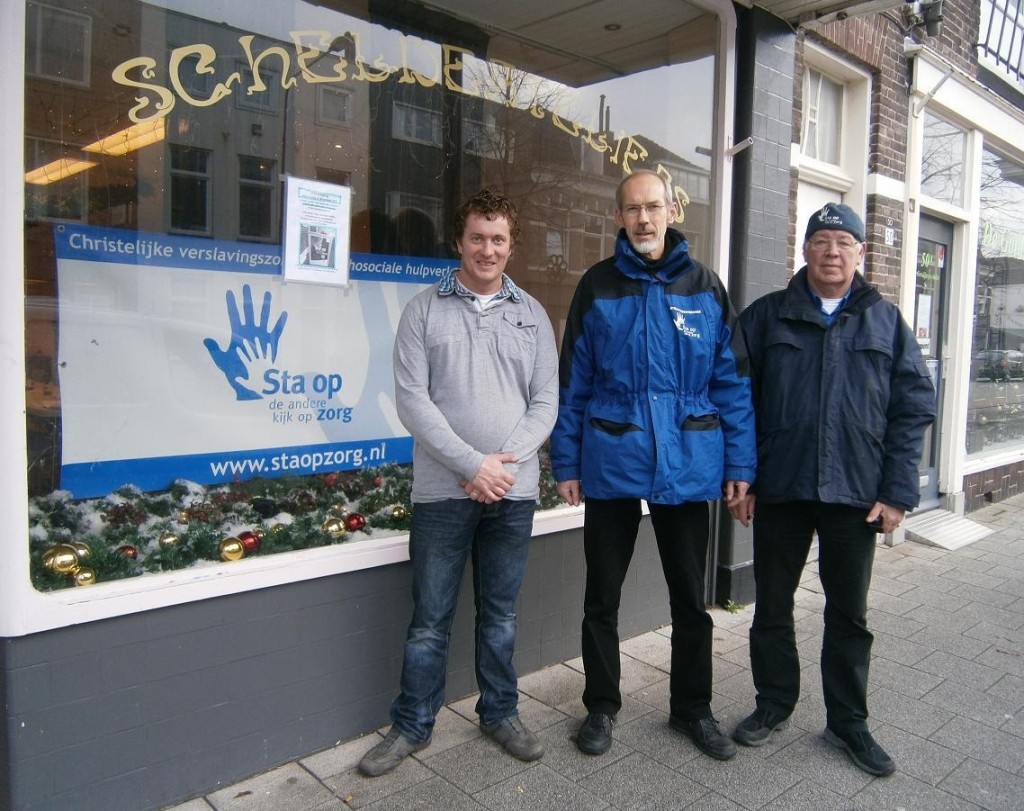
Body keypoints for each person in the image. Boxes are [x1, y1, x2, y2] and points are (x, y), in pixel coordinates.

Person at [550, 169, 757, 761]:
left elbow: (733, 383)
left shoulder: (705, 287)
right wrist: (566, 460)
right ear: (619, 217)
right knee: (602, 599)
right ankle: (601, 706)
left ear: (671, 211)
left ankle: (692, 707)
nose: (644, 219)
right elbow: (575, 385)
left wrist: (740, 459)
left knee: (690, 599)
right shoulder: (597, 286)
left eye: (653, 208)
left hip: (688, 461)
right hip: (613, 459)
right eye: (633, 209)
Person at [358, 189, 559, 777]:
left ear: (511, 245)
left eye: (498, 239)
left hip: (512, 494)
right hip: (444, 494)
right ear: (458, 241)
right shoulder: (423, 310)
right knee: (430, 619)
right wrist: (473, 466)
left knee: (500, 616)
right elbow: (412, 403)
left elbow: (546, 401)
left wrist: (501, 466)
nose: (487, 249)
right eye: (477, 237)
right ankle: (412, 724)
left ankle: (500, 712)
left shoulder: (533, 315)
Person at [731, 202, 936, 777]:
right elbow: (736, 400)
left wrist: (897, 491)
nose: (832, 251)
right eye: (822, 240)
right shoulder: (768, 317)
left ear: (861, 253)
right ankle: (773, 702)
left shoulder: (885, 322)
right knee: (771, 606)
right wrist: (743, 476)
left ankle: (848, 722)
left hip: (856, 493)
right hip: (782, 488)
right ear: (805, 250)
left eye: (844, 242)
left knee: (849, 614)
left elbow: (913, 405)